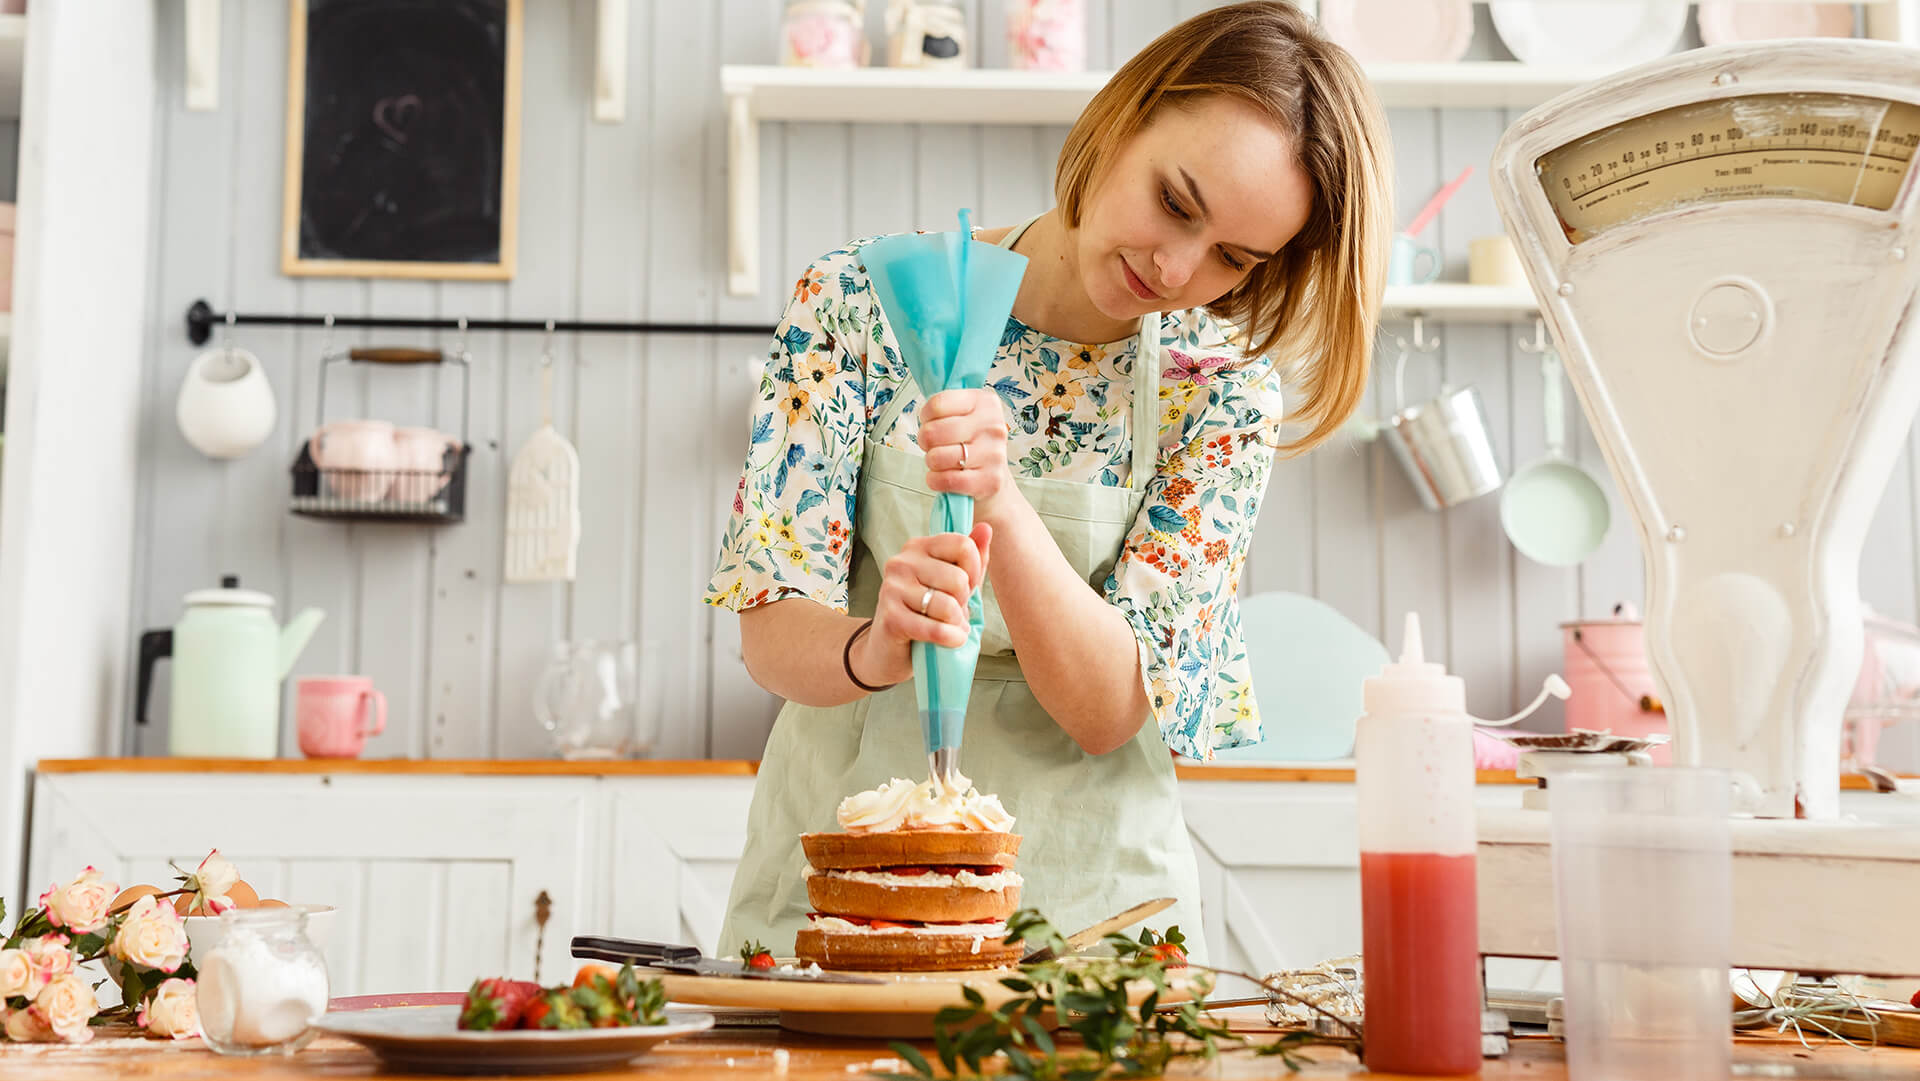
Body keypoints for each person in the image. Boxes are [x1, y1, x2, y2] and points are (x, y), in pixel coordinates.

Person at [704, 0, 1391, 962]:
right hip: (845, 893)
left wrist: (1001, 501)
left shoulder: (1220, 388)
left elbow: (1110, 710)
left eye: (1233, 258)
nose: (1176, 267)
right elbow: (771, 627)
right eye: (1176, 202)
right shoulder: (864, 301)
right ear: (1121, 118)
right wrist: (878, 644)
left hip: (1089, 919)